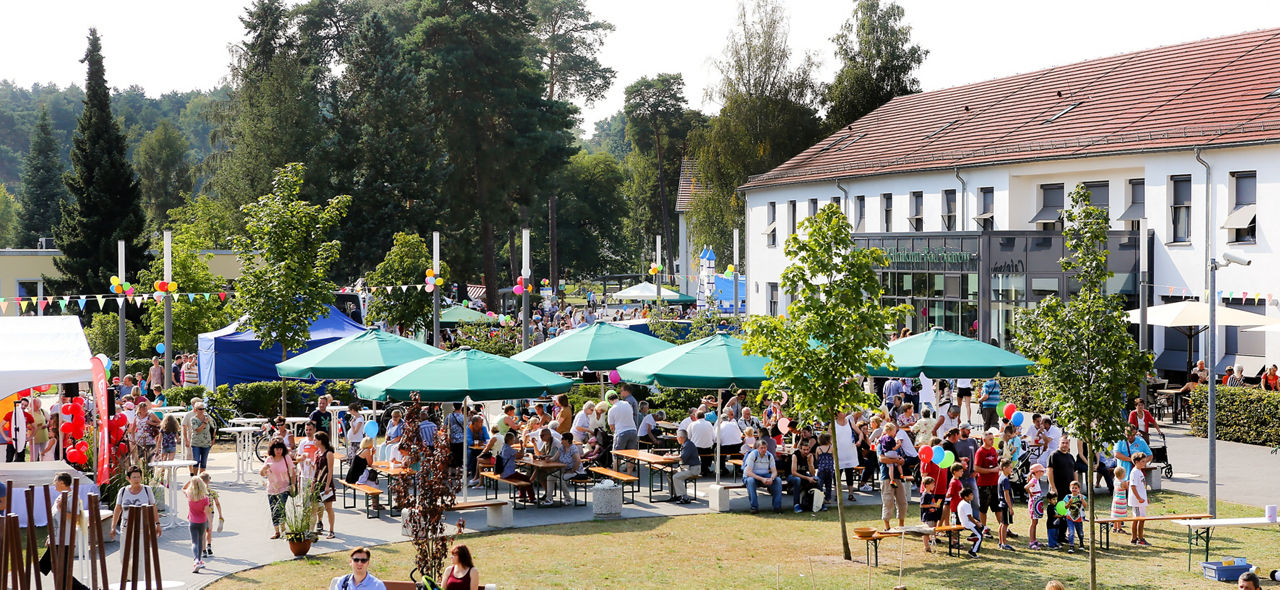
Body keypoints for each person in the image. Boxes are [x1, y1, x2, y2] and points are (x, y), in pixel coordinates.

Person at [110, 466, 161, 544]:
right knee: (126, 553)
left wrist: (157, 524)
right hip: (126, 528)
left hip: (143, 528)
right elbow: (118, 509)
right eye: (134, 477)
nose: (137, 479)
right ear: (128, 478)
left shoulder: (147, 490)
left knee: (142, 553)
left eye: (138, 477)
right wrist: (113, 527)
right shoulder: (123, 491)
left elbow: (153, 507)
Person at [261, 439, 295, 539]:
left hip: (284, 488)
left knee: (281, 508)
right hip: (271, 488)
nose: (278, 451)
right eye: (276, 449)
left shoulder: (286, 458)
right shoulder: (269, 459)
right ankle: (276, 531)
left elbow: (292, 471)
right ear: (273, 450)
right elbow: (262, 473)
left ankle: (283, 529)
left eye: (280, 449)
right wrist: (264, 468)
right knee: (274, 509)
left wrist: (292, 485)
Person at [878, 422, 908, 529]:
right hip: (887, 477)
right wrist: (896, 460)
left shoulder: (895, 443)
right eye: (894, 431)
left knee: (902, 501)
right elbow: (882, 459)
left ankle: (901, 525)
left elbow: (900, 459)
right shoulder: (882, 443)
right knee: (888, 501)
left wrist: (901, 461)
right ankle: (887, 527)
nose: (895, 433)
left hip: (898, 477)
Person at [743, 439, 782, 514]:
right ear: (757, 448)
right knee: (750, 481)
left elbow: (774, 471)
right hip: (752, 476)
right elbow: (748, 472)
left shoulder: (769, 455)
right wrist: (762, 479)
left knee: (778, 480)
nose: (763, 450)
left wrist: (772, 478)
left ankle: (777, 507)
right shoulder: (753, 455)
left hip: (765, 475)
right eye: (761, 448)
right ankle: (754, 507)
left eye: (765, 448)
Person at [606, 391, 638, 473]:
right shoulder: (627, 404)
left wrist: (614, 432)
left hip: (621, 432)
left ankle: (616, 477)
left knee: (617, 456)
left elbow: (612, 426)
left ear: (610, 401)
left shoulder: (612, 409)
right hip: (633, 431)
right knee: (631, 456)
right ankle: (629, 475)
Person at [975, 429, 1001, 530]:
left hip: (994, 483)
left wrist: (999, 467)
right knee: (983, 508)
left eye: (993, 439)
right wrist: (991, 470)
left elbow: (995, 464)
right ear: (984, 440)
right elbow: (976, 468)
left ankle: (1003, 527)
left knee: (997, 507)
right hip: (984, 484)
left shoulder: (993, 450)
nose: (992, 441)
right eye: (990, 439)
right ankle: (984, 528)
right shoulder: (980, 452)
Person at [833, 410, 861, 501]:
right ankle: (837, 495)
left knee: (849, 474)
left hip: (849, 452)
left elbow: (860, 433)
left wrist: (859, 441)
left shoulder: (850, 422)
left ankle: (850, 494)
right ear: (837, 414)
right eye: (842, 412)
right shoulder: (833, 424)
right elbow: (829, 438)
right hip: (838, 453)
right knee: (837, 474)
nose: (844, 413)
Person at [314, 431, 337, 538]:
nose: (314, 441)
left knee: (328, 508)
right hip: (316, 483)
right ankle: (319, 523)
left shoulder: (329, 453)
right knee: (316, 506)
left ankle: (331, 530)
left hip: (325, 483)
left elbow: (330, 470)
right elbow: (316, 469)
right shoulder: (317, 453)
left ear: (321, 441)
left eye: (315, 439)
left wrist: (327, 486)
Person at [789, 439, 819, 513]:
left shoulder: (810, 456)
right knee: (797, 480)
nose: (806, 451)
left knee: (817, 479)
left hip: (804, 474)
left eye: (807, 449)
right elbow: (793, 472)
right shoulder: (795, 455)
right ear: (800, 449)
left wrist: (810, 463)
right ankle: (796, 504)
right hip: (791, 475)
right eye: (804, 450)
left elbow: (812, 474)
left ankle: (818, 503)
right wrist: (807, 478)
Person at [1129, 452, 1151, 546]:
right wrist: (1139, 498)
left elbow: (1142, 486)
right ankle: (1136, 538)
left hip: (1142, 500)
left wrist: (1145, 498)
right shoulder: (1134, 472)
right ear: (1136, 462)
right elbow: (1133, 487)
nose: (1144, 463)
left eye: (1145, 461)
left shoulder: (1140, 471)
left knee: (1142, 519)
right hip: (1137, 501)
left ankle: (1140, 537)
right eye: (1142, 461)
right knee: (1137, 519)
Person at [957, 487, 986, 558]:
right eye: (971, 495)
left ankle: (972, 537)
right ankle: (972, 551)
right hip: (967, 524)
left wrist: (977, 523)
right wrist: (976, 523)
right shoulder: (966, 504)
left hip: (968, 522)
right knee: (980, 536)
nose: (972, 496)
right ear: (966, 497)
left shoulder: (964, 503)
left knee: (982, 527)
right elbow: (969, 517)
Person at [3, 397, 33, 462]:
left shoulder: (28, 415)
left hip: (22, 441)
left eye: (25, 405)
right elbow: (1, 425)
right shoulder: (10, 414)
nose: (23, 406)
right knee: (9, 460)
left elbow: (35, 427)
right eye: (22, 404)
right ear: (19, 404)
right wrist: (5, 437)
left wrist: (31, 437)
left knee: (21, 461)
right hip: (11, 442)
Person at [188, 402, 213, 474]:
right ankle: (195, 478)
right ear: (195, 410)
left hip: (206, 443)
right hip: (196, 443)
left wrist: (213, 438)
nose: (202, 410)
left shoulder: (208, 417)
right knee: (196, 461)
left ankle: (201, 479)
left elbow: (213, 427)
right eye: (200, 409)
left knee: (203, 462)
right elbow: (198, 430)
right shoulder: (193, 419)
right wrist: (205, 423)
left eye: (203, 409)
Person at [1025, 463, 1046, 550]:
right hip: (1034, 501)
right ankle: (1031, 541)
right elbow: (1026, 487)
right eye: (1041, 471)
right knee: (1033, 523)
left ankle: (1034, 540)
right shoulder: (1033, 480)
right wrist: (1030, 493)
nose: (1042, 473)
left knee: (1035, 522)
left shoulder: (1036, 480)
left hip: (1037, 501)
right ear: (1037, 472)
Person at [996, 459, 1015, 551]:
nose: (1011, 469)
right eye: (1010, 467)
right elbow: (1006, 494)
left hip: (1002, 504)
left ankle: (1000, 542)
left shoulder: (1001, 477)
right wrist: (1010, 507)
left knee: (1002, 523)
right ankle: (1004, 543)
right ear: (1004, 468)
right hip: (1005, 505)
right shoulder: (1005, 479)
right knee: (1005, 524)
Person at [919, 476, 942, 552]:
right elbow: (922, 505)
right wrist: (932, 505)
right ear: (927, 485)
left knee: (931, 530)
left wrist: (936, 505)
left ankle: (930, 544)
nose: (934, 486)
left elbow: (932, 504)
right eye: (932, 484)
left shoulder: (931, 494)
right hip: (927, 516)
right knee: (926, 532)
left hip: (933, 515)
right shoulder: (925, 494)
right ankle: (926, 546)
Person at [1064, 480, 1086, 552]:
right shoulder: (1068, 497)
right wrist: (1069, 503)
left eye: (1076, 488)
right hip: (1070, 517)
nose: (1074, 489)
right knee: (1071, 532)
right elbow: (1066, 507)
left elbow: (1085, 506)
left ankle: (1081, 543)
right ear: (1070, 489)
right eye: (1072, 488)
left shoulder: (1081, 497)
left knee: (1080, 532)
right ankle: (1071, 546)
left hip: (1079, 518)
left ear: (1079, 489)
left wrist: (1082, 500)